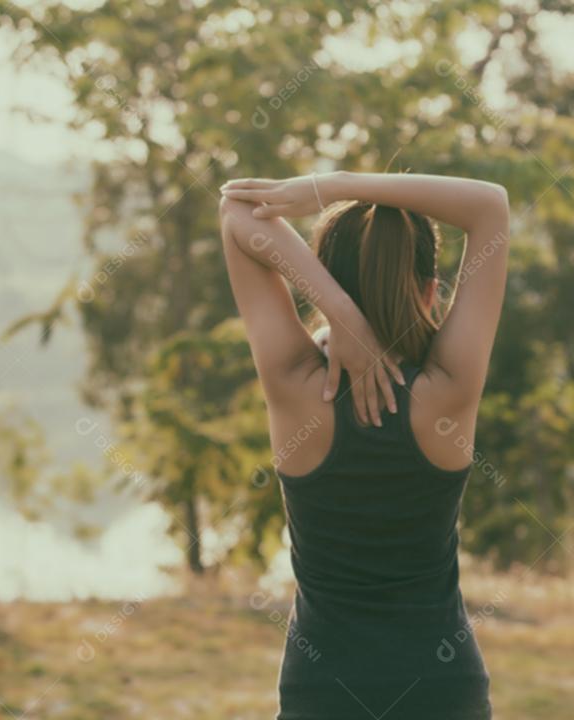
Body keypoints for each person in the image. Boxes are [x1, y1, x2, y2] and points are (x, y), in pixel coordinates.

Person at [219, 170, 510, 720]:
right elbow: (489, 206)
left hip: (321, 695)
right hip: (442, 693)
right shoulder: (447, 391)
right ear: (430, 290)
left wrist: (340, 314)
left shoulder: (295, 385)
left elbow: (235, 211)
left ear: (319, 279)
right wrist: (335, 184)